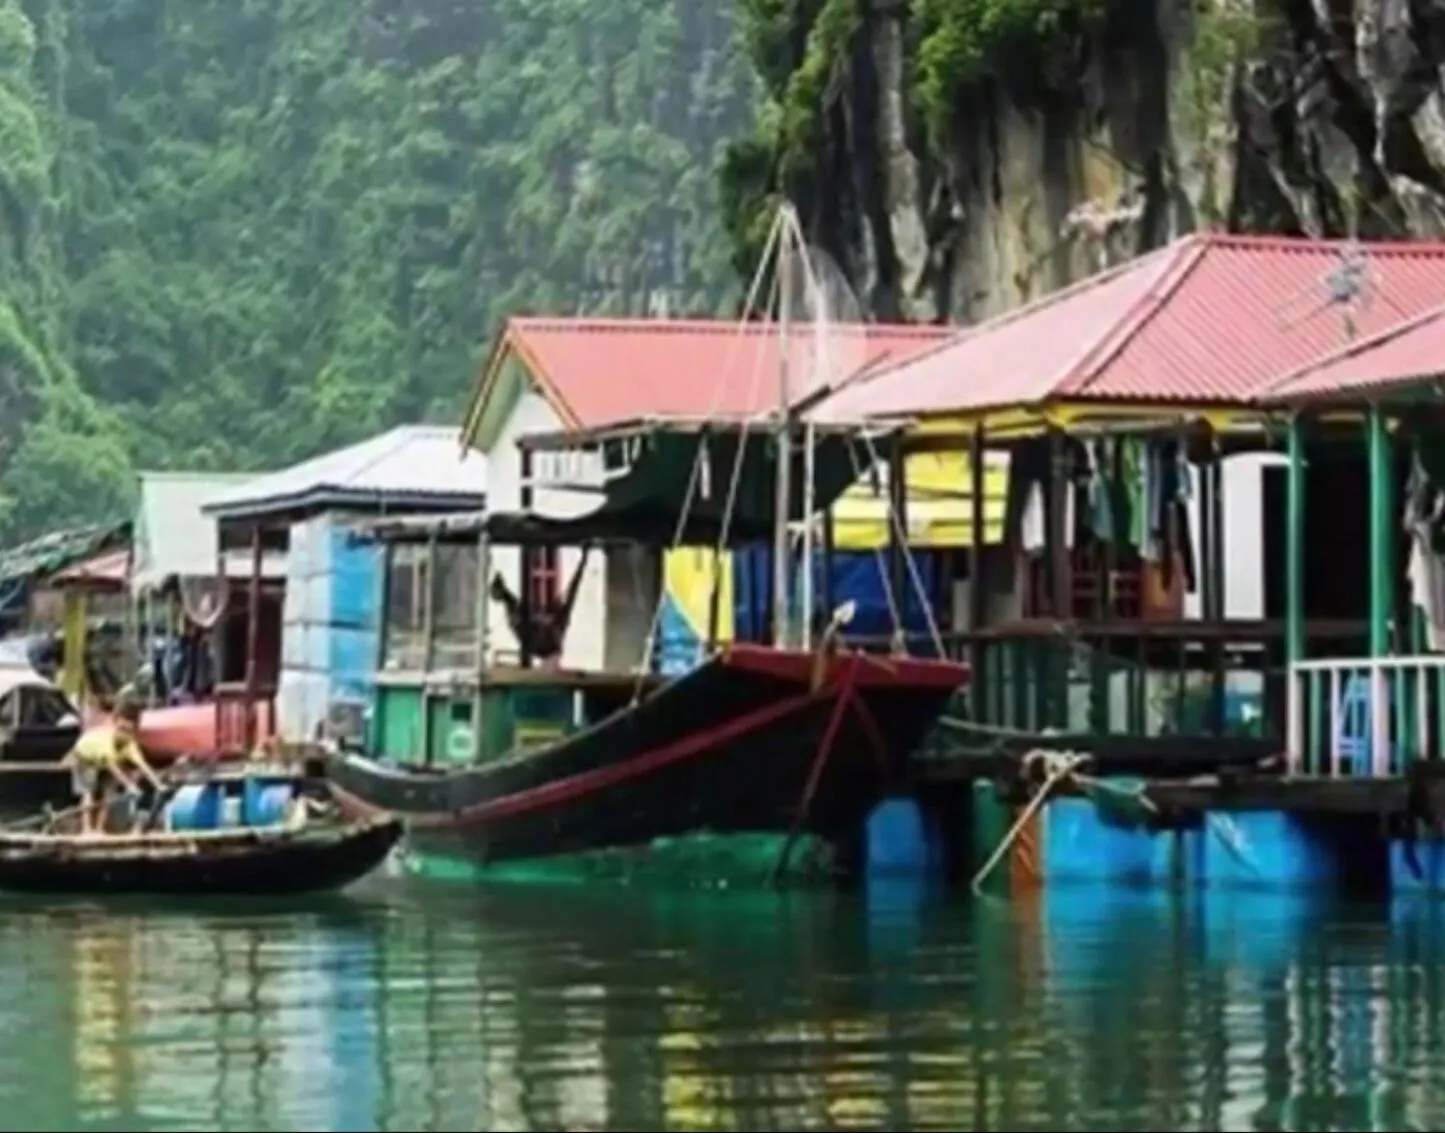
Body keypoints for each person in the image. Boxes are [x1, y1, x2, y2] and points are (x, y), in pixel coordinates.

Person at [66, 696, 163, 835]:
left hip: (105, 761)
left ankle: (100, 829)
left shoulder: (130, 744)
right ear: (115, 724)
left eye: (128, 731)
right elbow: (113, 767)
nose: (124, 734)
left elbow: (143, 765)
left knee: (109, 792)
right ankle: (86, 829)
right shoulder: (107, 741)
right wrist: (129, 786)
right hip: (85, 755)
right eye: (121, 729)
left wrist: (159, 785)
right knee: (88, 790)